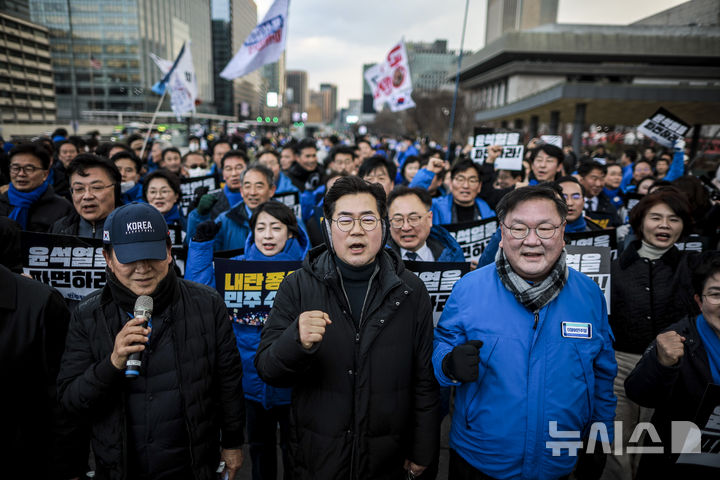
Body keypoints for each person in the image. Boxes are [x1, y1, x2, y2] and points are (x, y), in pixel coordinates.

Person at [255, 176, 439, 479]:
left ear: (383, 225)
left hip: (387, 456)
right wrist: (295, 341)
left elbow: (424, 379)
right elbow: (267, 368)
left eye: (368, 219)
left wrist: (423, 449)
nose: (357, 230)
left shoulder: (410, 289)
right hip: (316, 456)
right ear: (328, 227)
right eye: (345, 220)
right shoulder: (297, 285)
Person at [433, 185, 617, 479]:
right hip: (479, 457)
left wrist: (600, 439)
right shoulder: (469, 288)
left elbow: (603, 376)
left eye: (545, 228)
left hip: (560, 460)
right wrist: (448, 363)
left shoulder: (589, 294)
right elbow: (441, 344)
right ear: (503, 233)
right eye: (519, 229)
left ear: (562, 230)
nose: (532, 241)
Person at [57, 202, 245, 479]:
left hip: (192, 464)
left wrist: (232, 443)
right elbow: (71, 400)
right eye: (130, 258)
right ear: (107, 258)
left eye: (152, 256)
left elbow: (227, 382)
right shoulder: (88, 315)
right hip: (121, 466)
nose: (143, 268)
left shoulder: (207, 304)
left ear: (169, 253)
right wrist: (112, 363)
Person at [188, 201, 308, 480]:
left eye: (276, 228)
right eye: (261, 228)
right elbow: (199, 290)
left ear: (291, 233)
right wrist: (201, 245)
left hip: (295, 384)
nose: (268, 235)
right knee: (259, 449)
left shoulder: (305, 271)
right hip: (250, 384)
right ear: (251, 232)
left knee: (297, 451)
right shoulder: (238, 267)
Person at [606, 188, 699, 480]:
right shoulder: (613, 266)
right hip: (617, 365)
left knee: (653, 443)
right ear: (639, 222)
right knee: (615, 442)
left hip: (669, 368)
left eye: (673, 219)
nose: (664, 225)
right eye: (656, 217)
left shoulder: (694, 268)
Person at [624, 252, 720, 479]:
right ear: (699, 300)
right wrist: (662, 364)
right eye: (716, 294)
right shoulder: (675, 339)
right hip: (679, 458)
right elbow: (638, 393)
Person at [189, 163, 277, 253]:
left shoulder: (285, 220)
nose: (252, 192)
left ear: (272, 190)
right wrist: (199, 218)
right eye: (247, 186)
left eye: (259, 186)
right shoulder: (225, 220)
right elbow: (198, 253)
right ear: (241, 191)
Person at [0, 143, 73, 232]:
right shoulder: (2, 202)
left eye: (29, 169)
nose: (21, 174)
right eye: (15, 168)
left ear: (45, 174)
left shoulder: (62, 208)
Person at [51, 154, 121, 238]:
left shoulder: (134, 227)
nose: (87, 196)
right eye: (79, 189)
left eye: (96, 187)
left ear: (115, 189)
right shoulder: (59, 228)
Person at [387, 186, 465, 262]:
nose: (406, 227)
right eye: (398, 220)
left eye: (413, 218)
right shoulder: (379, 259)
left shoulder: (451, 254)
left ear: (429, 219)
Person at [187, 149, 248, 240]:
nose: (234, 173)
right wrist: (199, 214)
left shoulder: (258, 198)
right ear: (223, 174)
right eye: (228, 169)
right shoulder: (211, 202)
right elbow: (192, 241)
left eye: (239, 167)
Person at [431, 159, 495, 225]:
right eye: (460, 179)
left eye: (472, 180)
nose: (466, 186)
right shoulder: (435, 207)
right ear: (450, 183)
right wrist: (428, 172)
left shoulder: (489, 213)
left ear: (479, 186)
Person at [577, 161, 621, 228]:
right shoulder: (571, 205)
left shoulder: (609, 206)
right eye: (594, 179)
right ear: (581, 180)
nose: (598, 184)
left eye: (602, 179)